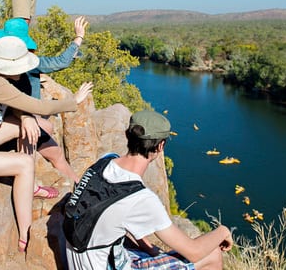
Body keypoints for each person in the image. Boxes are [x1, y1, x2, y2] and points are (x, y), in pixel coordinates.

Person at [0, 36, 93, 252]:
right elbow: (37, 105)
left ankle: (29, 184)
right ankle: (26, 232)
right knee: (24, 164)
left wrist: (25, 118)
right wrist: (74, 101)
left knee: (27, 126)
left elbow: (17, 105)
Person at [65, 110, 234, 270]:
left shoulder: (104, 162)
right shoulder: (141, 198)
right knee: (212, 253)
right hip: (107, 264)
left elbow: (120, 216)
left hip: (85, 259)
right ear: (160, 146)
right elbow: (194, 252)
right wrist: (223, 231)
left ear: (128, 136)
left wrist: (151, 250)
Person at [0, 16, 88, 184]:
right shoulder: (30, 64)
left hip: (16, 119)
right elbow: (61, 62)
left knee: (49, 135)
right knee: (44, 129)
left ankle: (79, 187)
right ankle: (29, 180)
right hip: (14, 122)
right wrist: (78, 37)